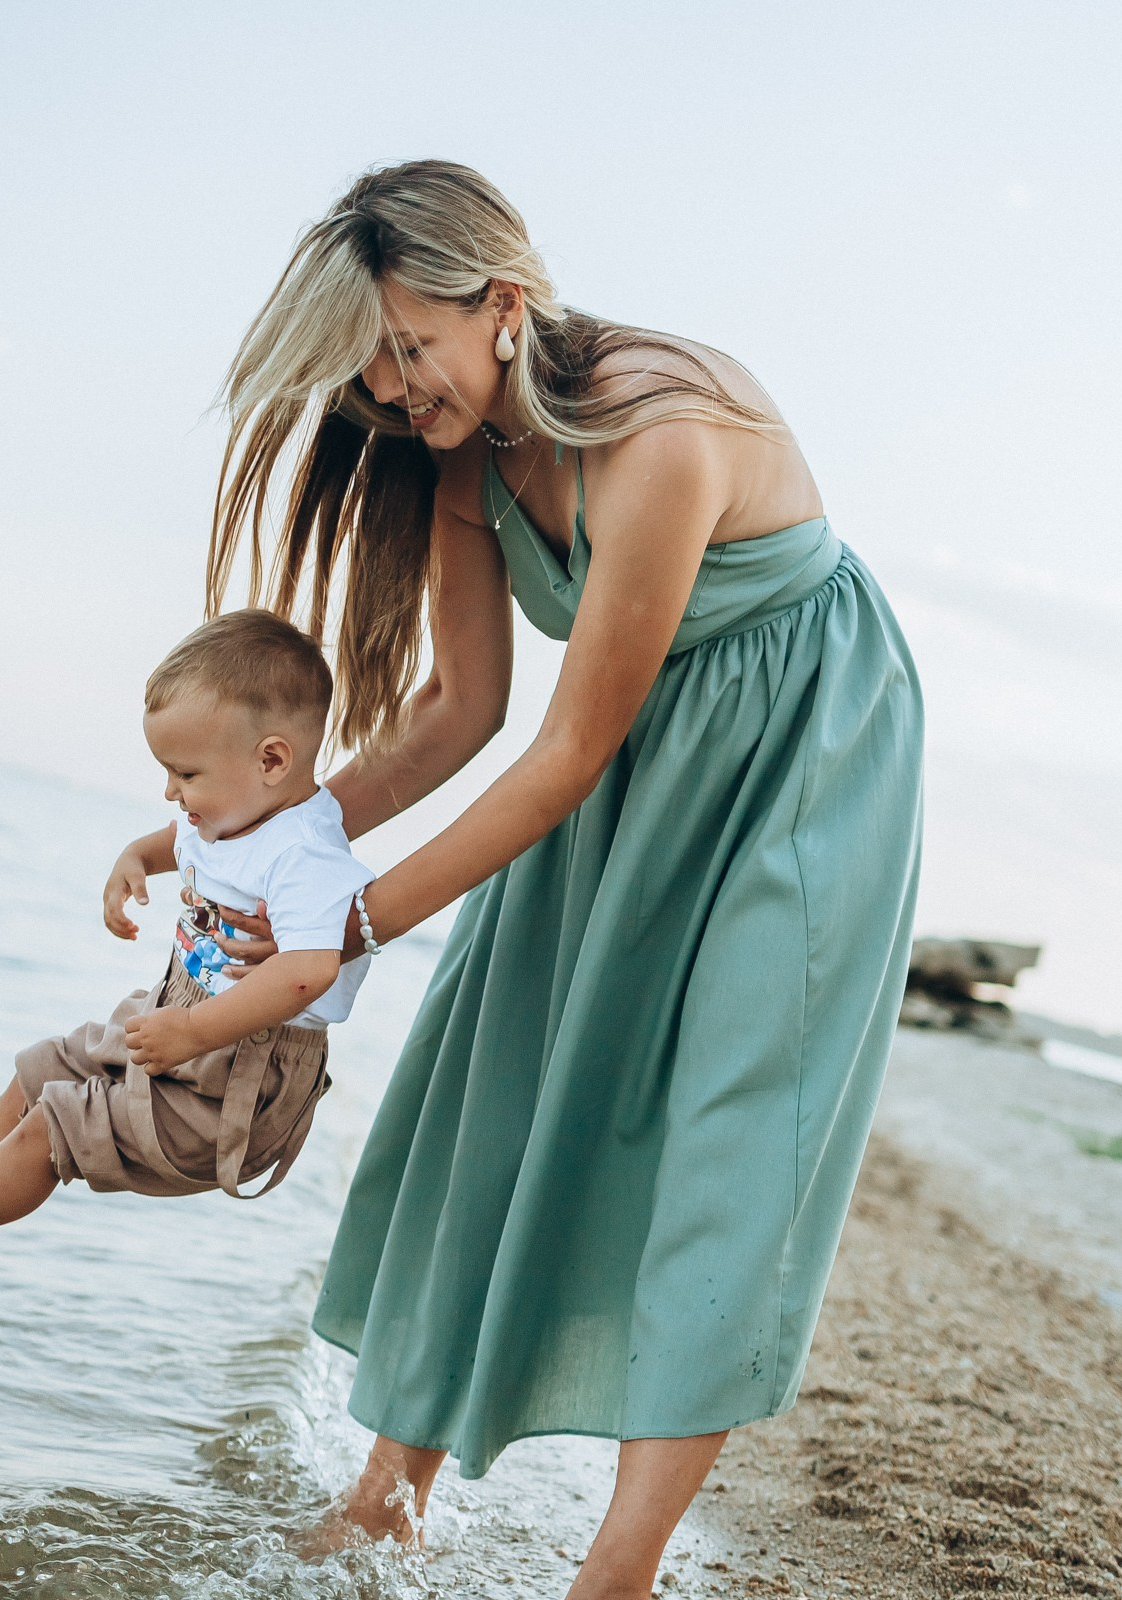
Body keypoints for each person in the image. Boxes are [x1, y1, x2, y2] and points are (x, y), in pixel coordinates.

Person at [190, 160, 924, 1600]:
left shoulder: (662, 434)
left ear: (505, 306)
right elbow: (457, 713)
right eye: (370, 361)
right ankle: (386, 1497)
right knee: (494, 1075)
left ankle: (616, 1576)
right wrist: (246, 841)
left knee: (733, 1147)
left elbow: (567, 748)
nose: (389, 387)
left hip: (800, 759)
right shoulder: (460, 457)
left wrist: (343, 925)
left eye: (410, 346)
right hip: (626, 756)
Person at [0, 609, 372, 1273]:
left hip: (236, 1080)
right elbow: (183, 841)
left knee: (57, 1125)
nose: (171, 791)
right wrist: (136, 857)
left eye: (186, 774)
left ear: (271, 759)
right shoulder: (237, 809)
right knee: (43, 1070)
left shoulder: (307, 853)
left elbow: (308, 970)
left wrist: (194, 1032)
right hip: (180, 1022)